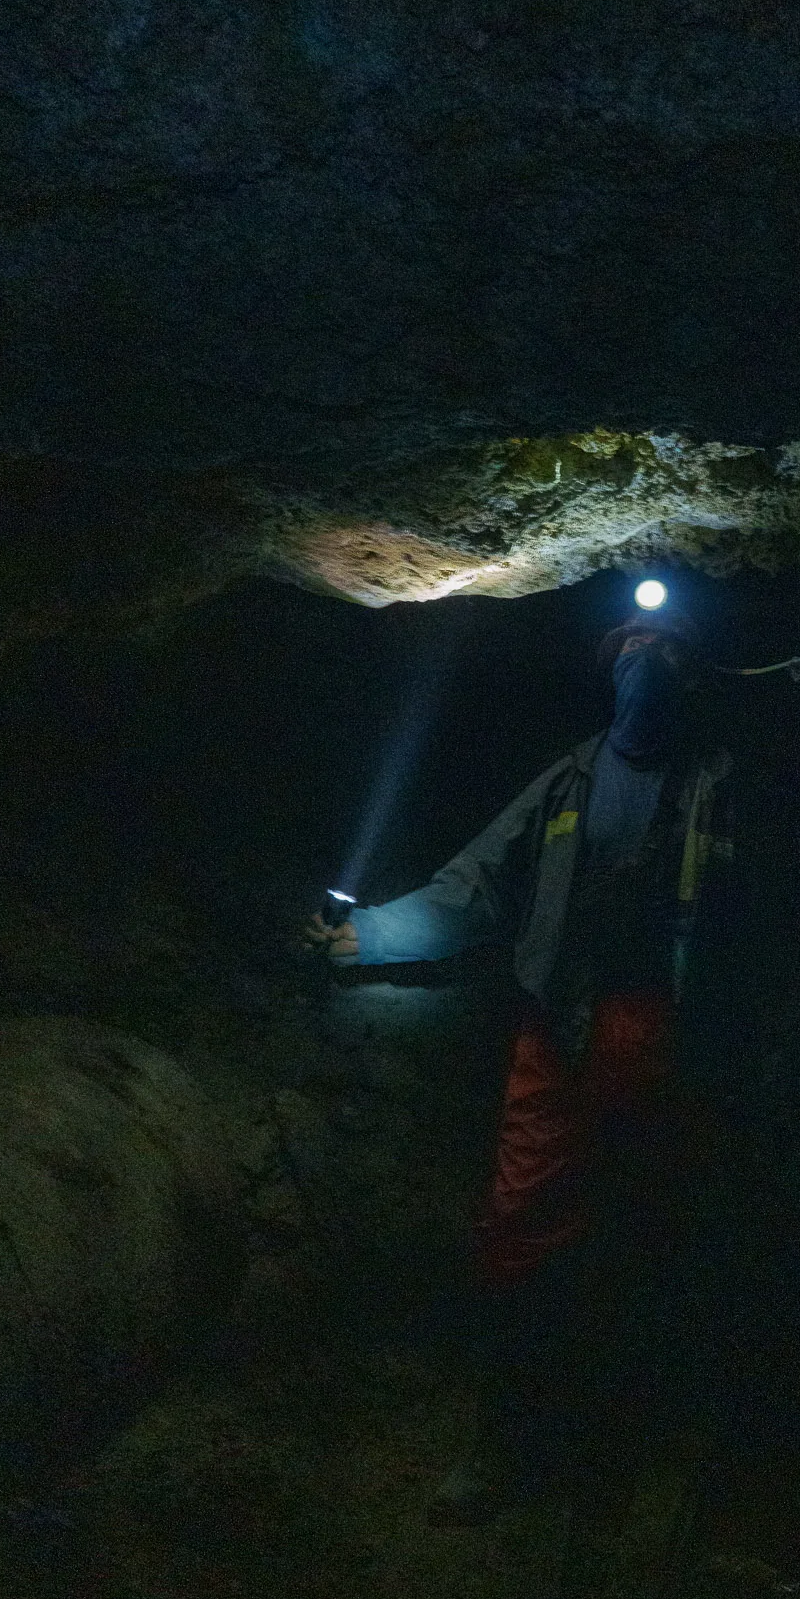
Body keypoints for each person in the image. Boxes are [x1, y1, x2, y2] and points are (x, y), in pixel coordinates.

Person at [302, 614, 739, 1519]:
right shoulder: (569, 781)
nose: (644, 659)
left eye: (664, 648)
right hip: (560, 1028)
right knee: (520, 1223)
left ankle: (635, 1440)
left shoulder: (728, 786)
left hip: (673, 1033)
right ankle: (505, 1438)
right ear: (605, 671)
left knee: (652, 1224)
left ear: (696, 674)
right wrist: (374, 933)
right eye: (628, 646)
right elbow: (479, 883)